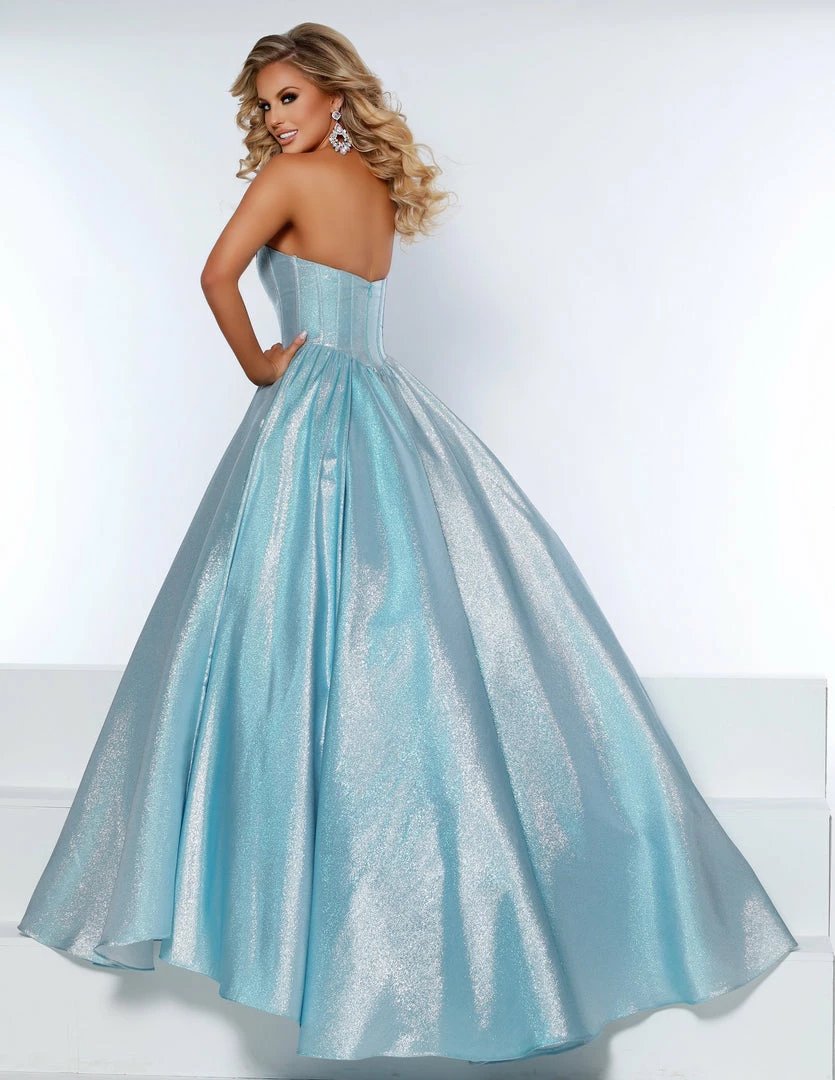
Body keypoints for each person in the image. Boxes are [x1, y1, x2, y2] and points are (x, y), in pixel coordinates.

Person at [17, 22, 798, 1065]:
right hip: (385, 405)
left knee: (274, 618)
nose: (273, 119)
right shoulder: (374, 188)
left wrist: (259, 365)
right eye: (263, 103)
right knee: (415, 624)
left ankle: (273, 885)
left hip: (309, 410)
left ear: (334, 97)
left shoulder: (286, 184)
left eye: (289, 98)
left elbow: (215, 277)